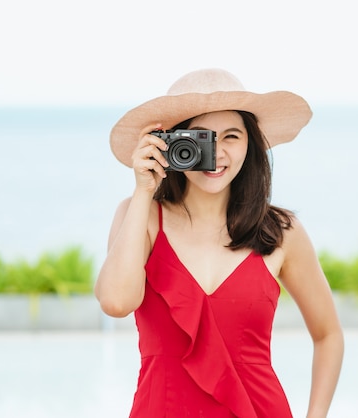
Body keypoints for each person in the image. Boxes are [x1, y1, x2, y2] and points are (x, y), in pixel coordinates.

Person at [95, 68, 344, 418]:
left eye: (231, 136)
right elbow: (116, 302)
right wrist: (143, 190)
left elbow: (328, 334)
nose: (217, 152)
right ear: (171, 143)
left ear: (250, 144)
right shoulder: (141, 216)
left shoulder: (281, 232)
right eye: (200, 137)